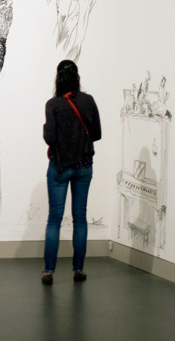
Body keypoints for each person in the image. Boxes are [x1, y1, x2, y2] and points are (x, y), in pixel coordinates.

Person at [42, 60, 101, 285]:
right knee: (80, 218)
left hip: (59, 167)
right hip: (84, 166)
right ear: (77, 77)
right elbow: (96, 133)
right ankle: (78, 270)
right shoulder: (88, 101)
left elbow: (50, 138)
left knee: (54, 220)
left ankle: (48, 272)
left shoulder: (53, 104)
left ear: (58, 78)